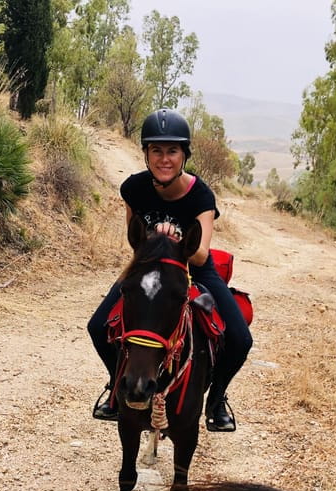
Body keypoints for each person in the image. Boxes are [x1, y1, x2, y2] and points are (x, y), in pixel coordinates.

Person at [87, 108, 252, 432]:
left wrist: (175, 240)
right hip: (147, 267)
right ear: (146, 154)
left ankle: (216, 400)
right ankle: (116, 387)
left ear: (184, 155)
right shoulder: (133, 189)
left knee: (240, 338)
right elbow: (134, 243)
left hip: (194, 268)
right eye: (156, 151)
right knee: (97, 327)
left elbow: (203, 252)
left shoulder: (201, 195)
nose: (165, 159)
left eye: (172, 151)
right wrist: (152, 244)